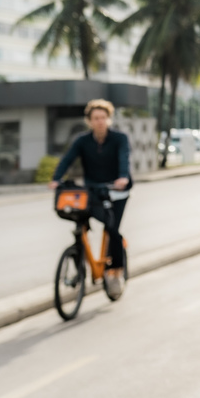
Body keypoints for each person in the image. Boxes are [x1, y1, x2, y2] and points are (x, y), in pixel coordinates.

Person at [50, 98, 132, 297]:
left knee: (112, 228)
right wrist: (56, 179)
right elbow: (68, 159)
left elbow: (124, 158)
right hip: (93, 190)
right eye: (95, 118)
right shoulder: (82, 140)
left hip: (117, 191)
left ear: (108, 119)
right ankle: (80, 259)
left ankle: (115, 273)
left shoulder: (119, 138)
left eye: (103, 117)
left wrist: (122, 177)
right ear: (89, 121)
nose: (100, 121)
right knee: (81, 219)